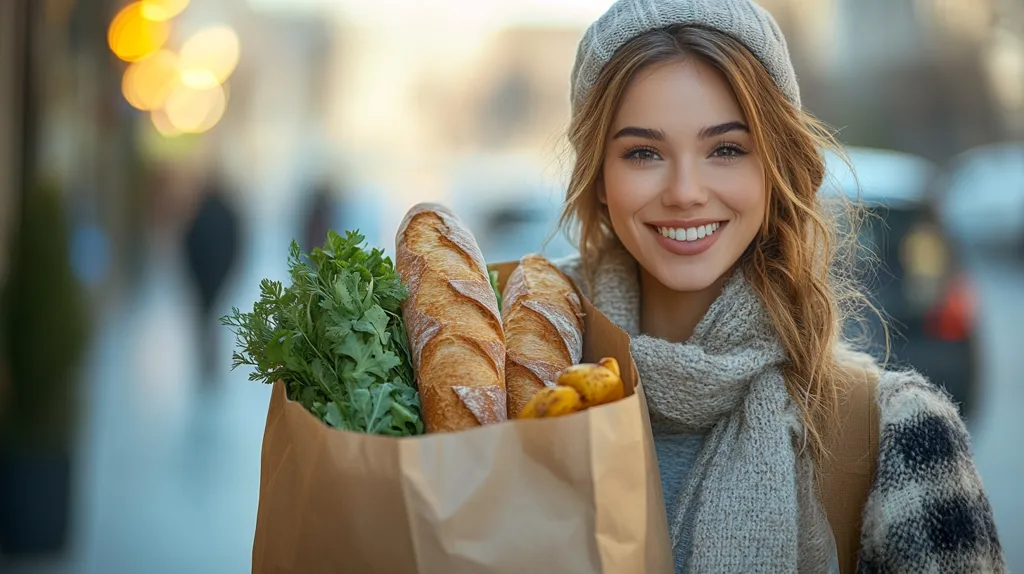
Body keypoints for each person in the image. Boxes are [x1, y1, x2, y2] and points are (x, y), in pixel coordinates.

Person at [553, 0, 1004, 572]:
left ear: (778, 167)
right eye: (643, 152)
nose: (685, 191)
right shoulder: (507, 398)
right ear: (597, 177)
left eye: (727, 149)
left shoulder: (900, 435)